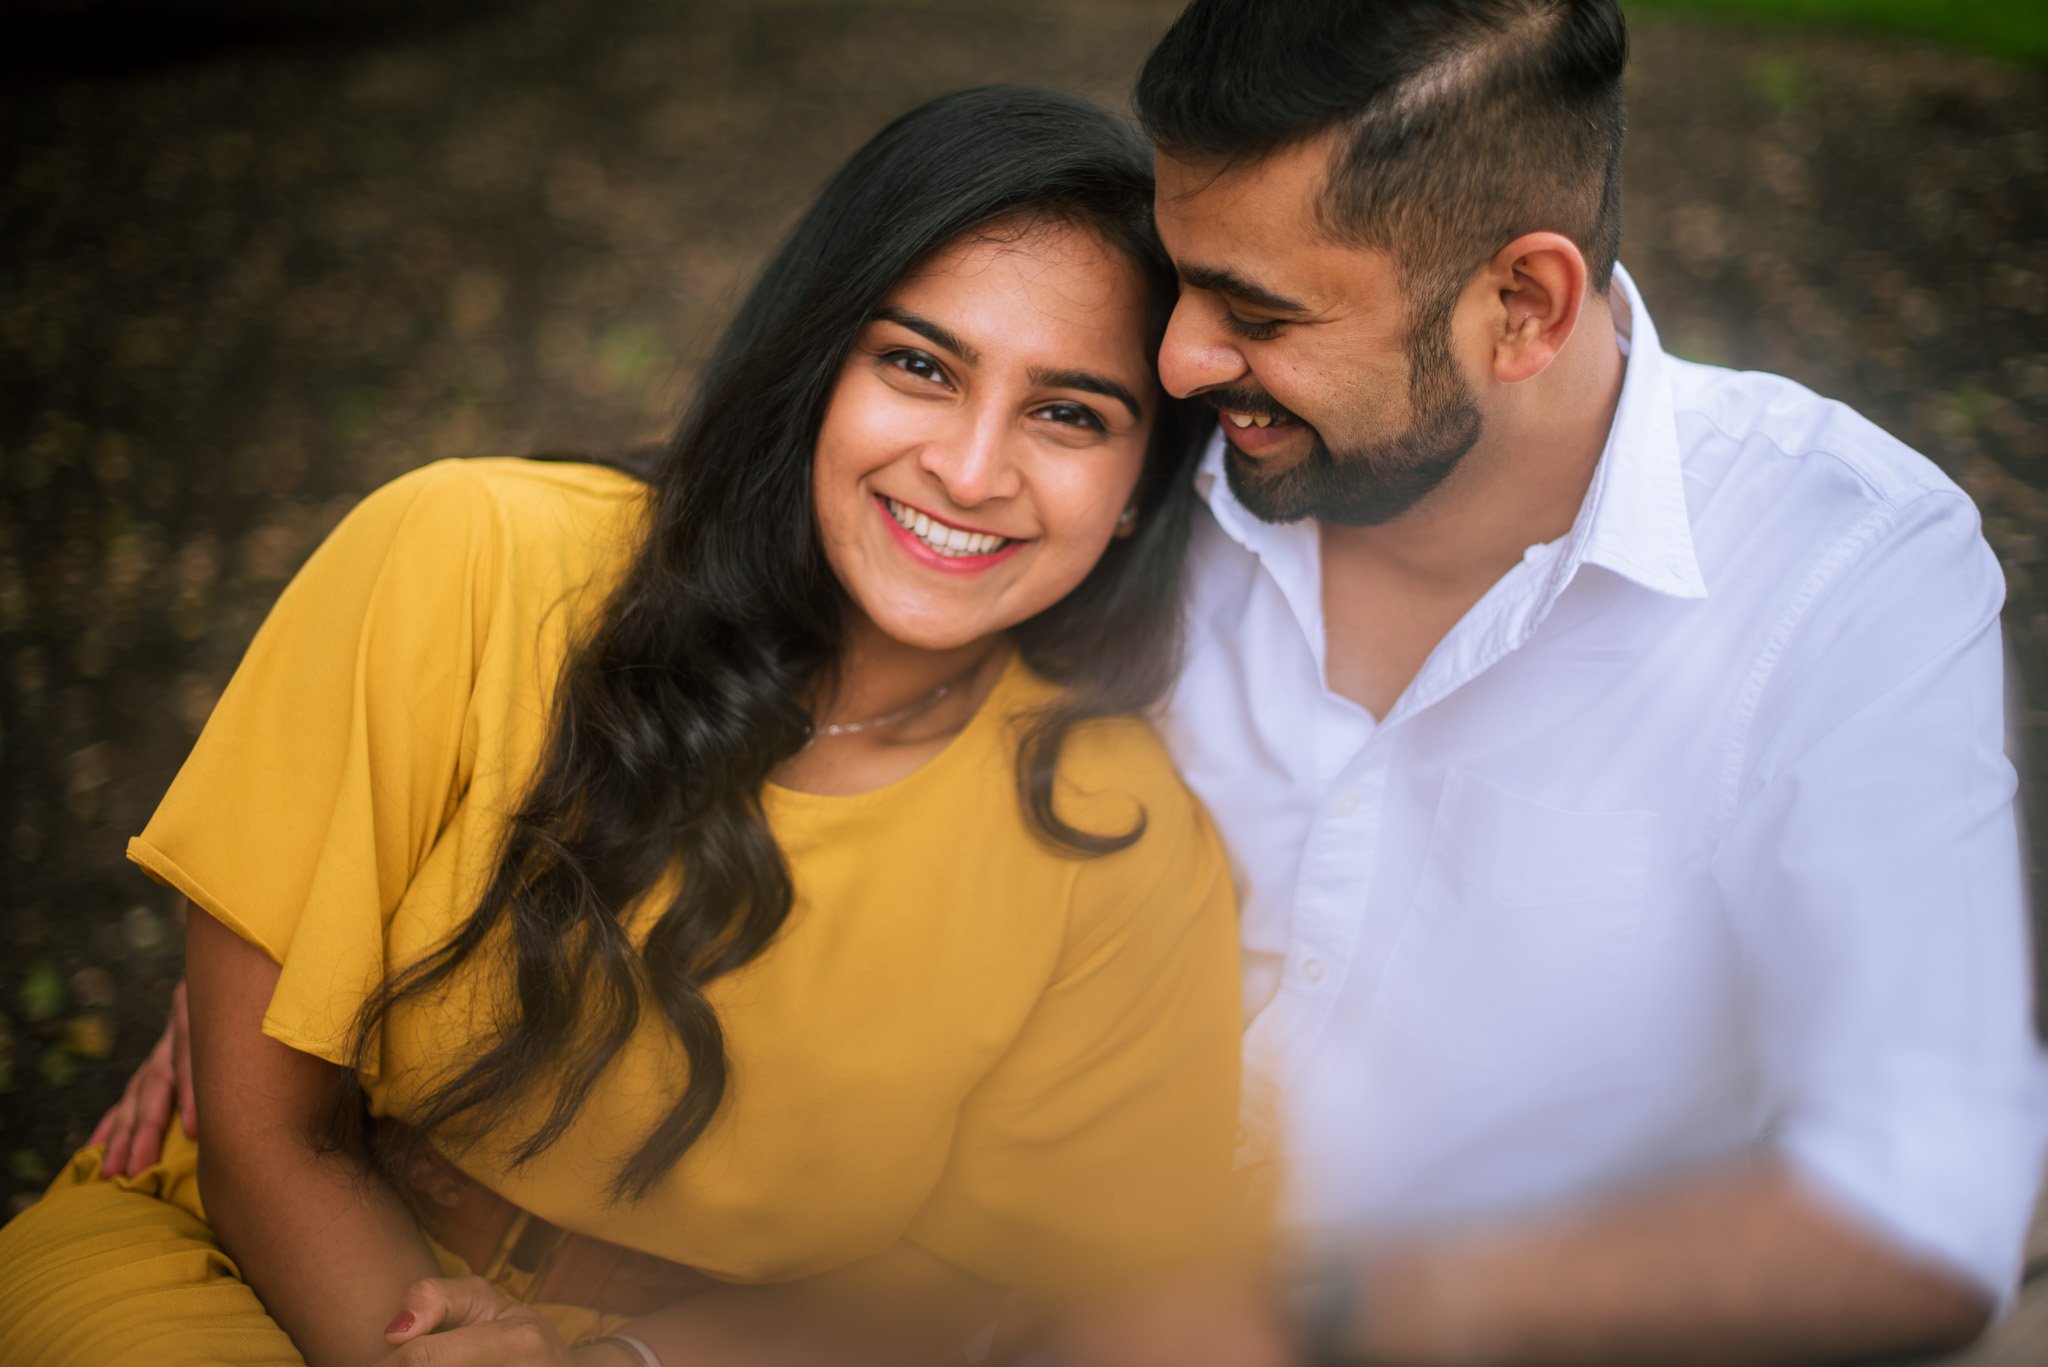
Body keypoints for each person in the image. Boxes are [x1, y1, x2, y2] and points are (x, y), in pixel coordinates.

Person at [0, 85, 1249, 1367]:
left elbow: (969, 1270)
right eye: (919, 365)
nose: (972, 468)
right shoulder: (467, 557)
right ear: (817, 366)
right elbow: (270, 1124)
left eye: (1067, 413)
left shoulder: (1115, 835)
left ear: (1139, 491)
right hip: (259, 1264)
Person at [1107, 0, 2046, 1362]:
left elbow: (1918, 1201)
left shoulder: (1842, 566)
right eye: (1182, 277)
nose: (1180, 355)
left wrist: (1323, 1315)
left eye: (1258, 311)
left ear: (1524, 305)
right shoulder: (1142, 469)